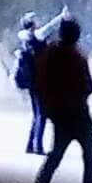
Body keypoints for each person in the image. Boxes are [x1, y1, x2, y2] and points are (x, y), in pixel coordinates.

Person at [29, 17, 92, 183]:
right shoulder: (77, 58)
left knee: (55, 155)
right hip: (78, 113)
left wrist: (49, 106)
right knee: (90, 155)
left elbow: (39, 82)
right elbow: (88, 86)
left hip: (59, 113)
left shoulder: (49, 54)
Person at [13, 8, 66, 156]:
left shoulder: (25, 39)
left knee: (37, 114)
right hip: (39, 81)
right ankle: (37, 146)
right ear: (31, 24)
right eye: (35, 20)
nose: (38, 22)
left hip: (31, 81)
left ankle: (31, 144)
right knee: (41, 114)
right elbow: (49, 28)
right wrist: (61, 17)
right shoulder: (35, 36)